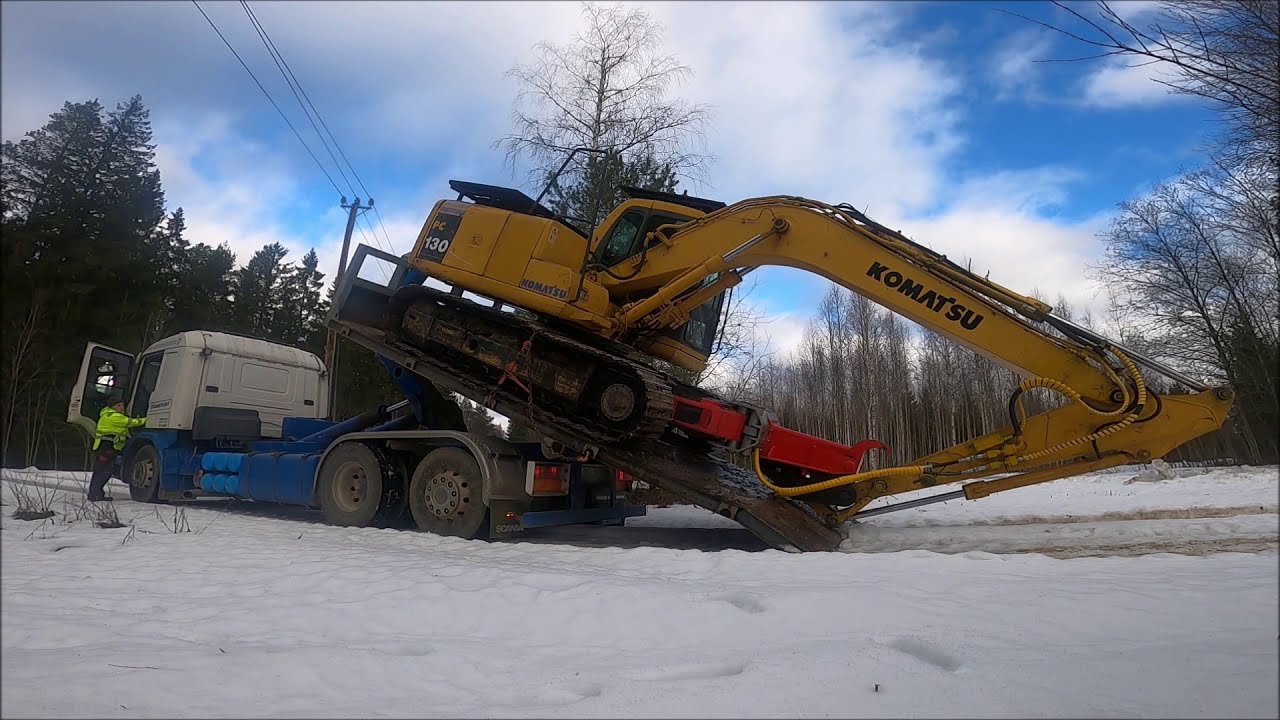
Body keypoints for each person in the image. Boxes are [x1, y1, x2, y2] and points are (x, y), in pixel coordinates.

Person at [87, 397, 147, 502]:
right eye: (118, 405)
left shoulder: (108, 415)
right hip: (107, 447)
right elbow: (132, 422)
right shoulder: (113, 417)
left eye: (122, 405)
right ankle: (95, 494)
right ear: (112, 407)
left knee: (101, 471)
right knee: (103, 472)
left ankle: (96, 494)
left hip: (107, 447)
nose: (121, 407)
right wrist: (149, 419)